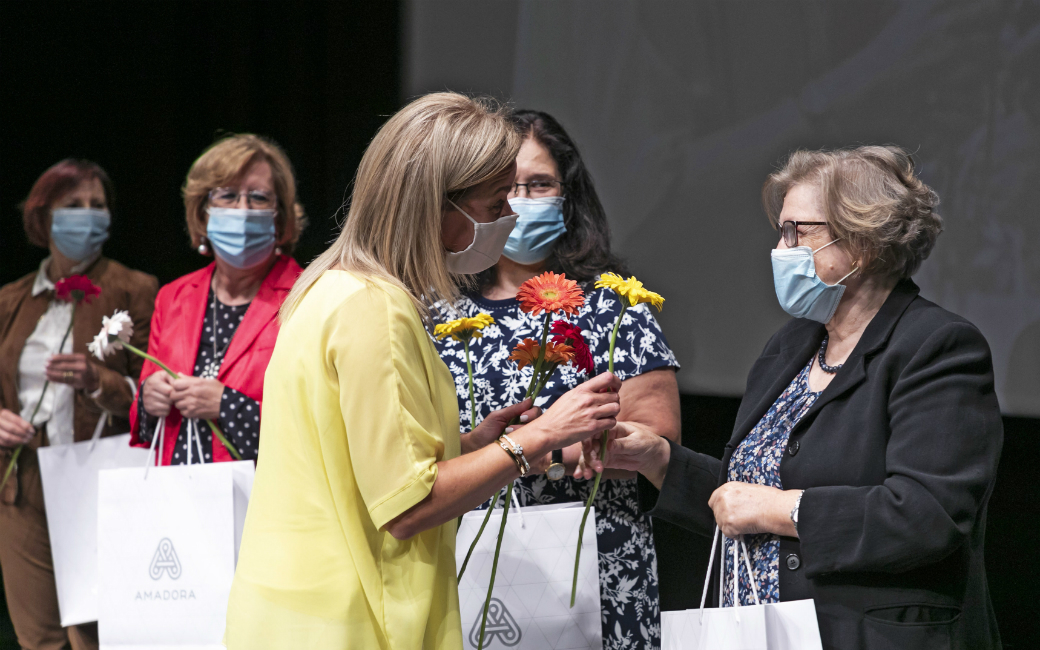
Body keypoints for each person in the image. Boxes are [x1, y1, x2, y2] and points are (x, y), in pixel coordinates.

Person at [224, 93, 623, 649]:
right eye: (493, 206)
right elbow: (408, 506)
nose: (508, 219)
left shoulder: (329, 285)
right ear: (436, 207)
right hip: (350, 621)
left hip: (296, 612)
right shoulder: (374, 307)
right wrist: (541, 436)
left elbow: (355, 461)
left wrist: (468, 446)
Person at [589, 146, 1003, 650]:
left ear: (863, 243)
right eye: (780, 231)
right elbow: (743, 498)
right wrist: (659, 461)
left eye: (797, 232)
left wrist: (782, 510)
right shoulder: (792, 344)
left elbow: (928, 516)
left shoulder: (936, 347)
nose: (780, 249)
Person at [433, 109, 680, 649]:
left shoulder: (619, 307)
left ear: (568, 195)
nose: (520, 200)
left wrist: (548, 447)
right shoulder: (437, 316)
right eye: (504, 188)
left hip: (599, 565)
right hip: (473, 562)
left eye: (539, 184)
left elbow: (661, 448)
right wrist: (520, 445)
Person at [0, 159, 158, 650]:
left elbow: (151, 398)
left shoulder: (135, 288)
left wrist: (98, 380)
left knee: (98, 634)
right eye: (73, 206)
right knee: (40, 637)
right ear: (43, 217)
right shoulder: (10, 299)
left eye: (97, 206)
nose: (87, 216)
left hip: (104, 482)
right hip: (22, 485)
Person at [129, 134, 304, 464]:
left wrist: (229, 406)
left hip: (263, 499)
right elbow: (143, 420)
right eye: (227, 196)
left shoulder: (307, 295)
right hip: (178, 498)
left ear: (279, 217)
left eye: (258, 197)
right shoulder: (173, 296)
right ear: (203, 213)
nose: (242, 209)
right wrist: (148, 398)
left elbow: (319, 421)